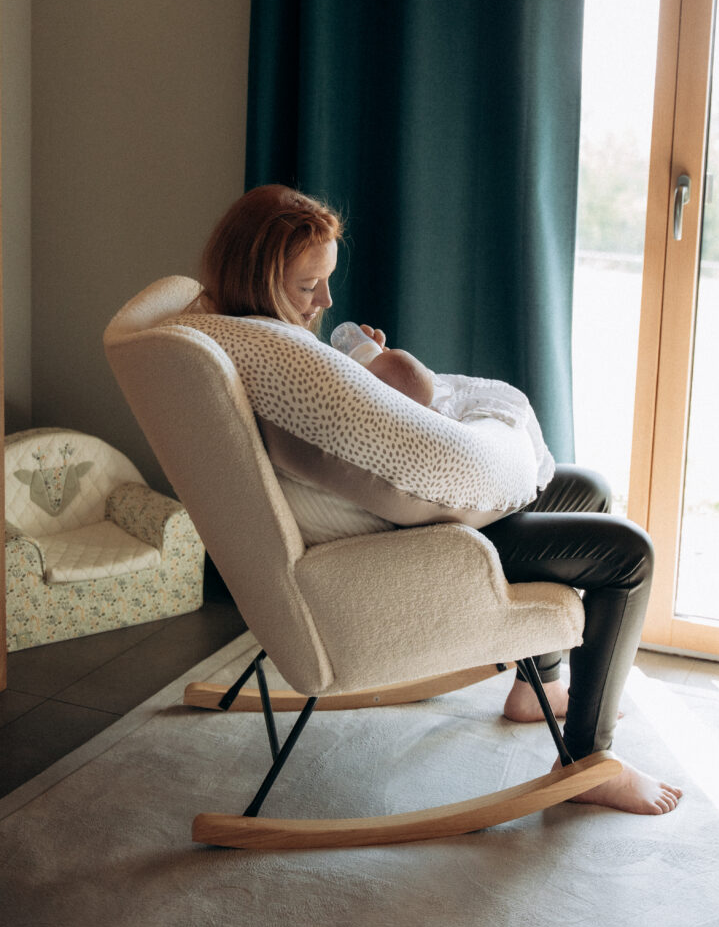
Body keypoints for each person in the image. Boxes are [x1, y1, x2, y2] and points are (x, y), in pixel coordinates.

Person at [196, 184, 682, 816]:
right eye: (308, 285)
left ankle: (542, 688)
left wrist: (365, 380)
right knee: (631, 556)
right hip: (412, 543)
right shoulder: (279, 360)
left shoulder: (255, 341)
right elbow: (389, 457)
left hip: (407, 518)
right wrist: (392, 382)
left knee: (584, 487)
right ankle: (588, 760)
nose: (326, 300)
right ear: (259, 278)